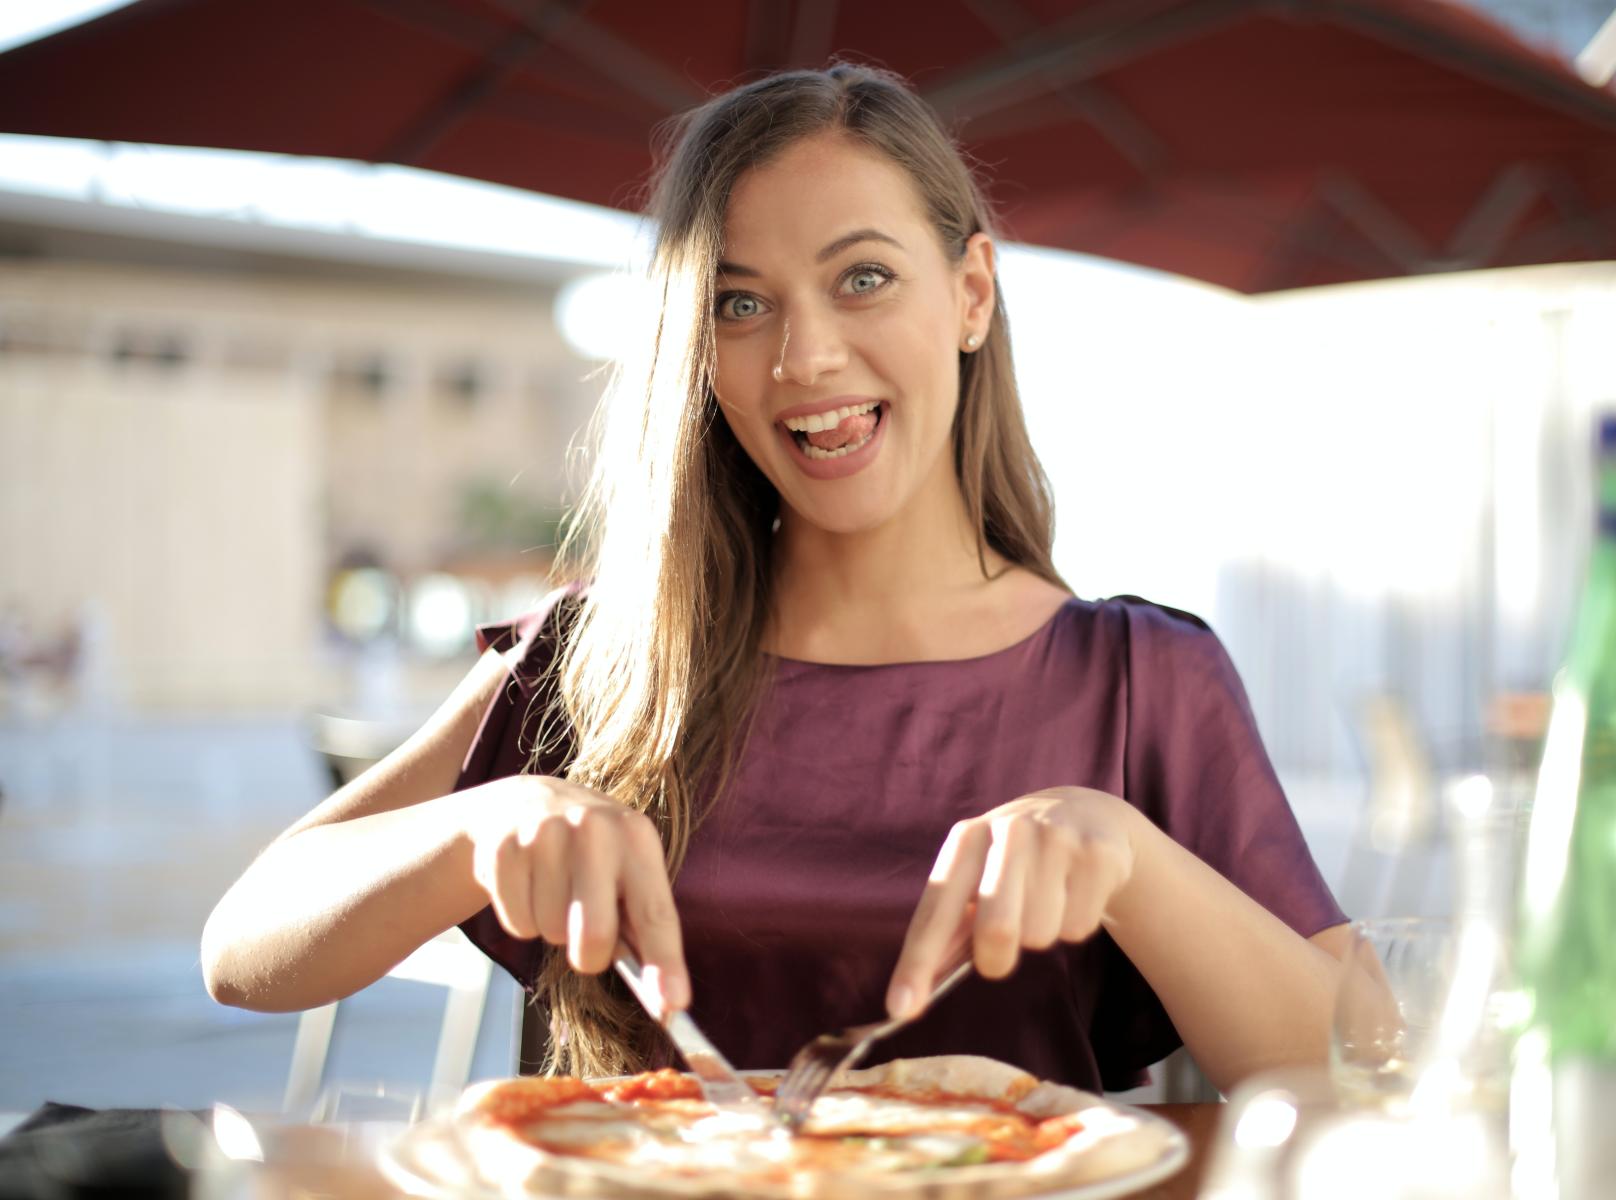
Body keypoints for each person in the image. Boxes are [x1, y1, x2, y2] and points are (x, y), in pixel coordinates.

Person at [202, 63, 1348, 1095]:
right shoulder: (601, 662)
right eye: (740, 304)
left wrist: (1131, 857)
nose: (805, 358)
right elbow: (244, 952)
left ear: (972, 294)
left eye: (862, 278)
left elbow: (1359, 1064)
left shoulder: (1144, 678)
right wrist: (478, 827)